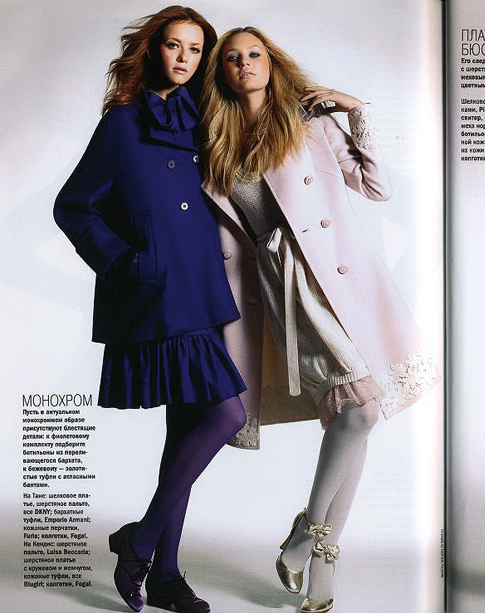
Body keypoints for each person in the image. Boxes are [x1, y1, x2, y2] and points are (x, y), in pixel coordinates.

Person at [200, 27, 438, 613]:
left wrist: (355, 112)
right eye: (232, 58)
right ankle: (313, 546)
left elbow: (377, 187)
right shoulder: (216, 144)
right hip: (284, 288)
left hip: (340, 278)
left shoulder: (309, 125)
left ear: (273, 64)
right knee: (356, 411)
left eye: (254, 54)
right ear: (221, 73)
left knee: (357, 413)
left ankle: (313, 548)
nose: (244, 64)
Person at [54, 7, 247, 612]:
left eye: (195, 49)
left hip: (203, 290)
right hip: (156, 294)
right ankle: (140, 547)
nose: (184, 58)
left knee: (188, 429)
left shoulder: (206, 120)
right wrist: (123, 261)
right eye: (173, 45)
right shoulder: (122, 123)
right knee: (225, 417)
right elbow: (72, 206)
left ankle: (162, 572)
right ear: (153, 49)